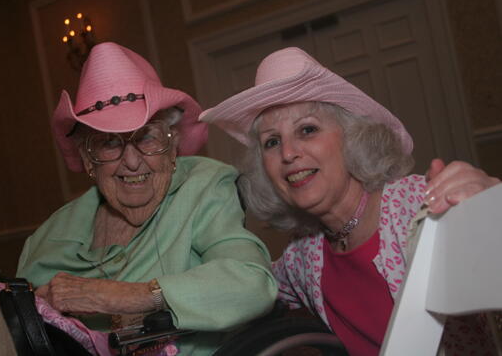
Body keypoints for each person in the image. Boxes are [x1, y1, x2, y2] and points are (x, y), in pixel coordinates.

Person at [199, 47, 501, 355]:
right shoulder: (302, 257)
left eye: (307, 129)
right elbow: (246, 289)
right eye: (272, 142)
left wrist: (489, 208)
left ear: (352, 138)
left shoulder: (417, 206)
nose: (288, 153)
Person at [16, 42, 278, 356]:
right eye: (108, 143)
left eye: (146, 137)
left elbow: (253, 285)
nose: (132, 161)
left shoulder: (204, 187)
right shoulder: (48, 237)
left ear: (173, 145)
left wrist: (128, 295)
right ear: (88, 159)